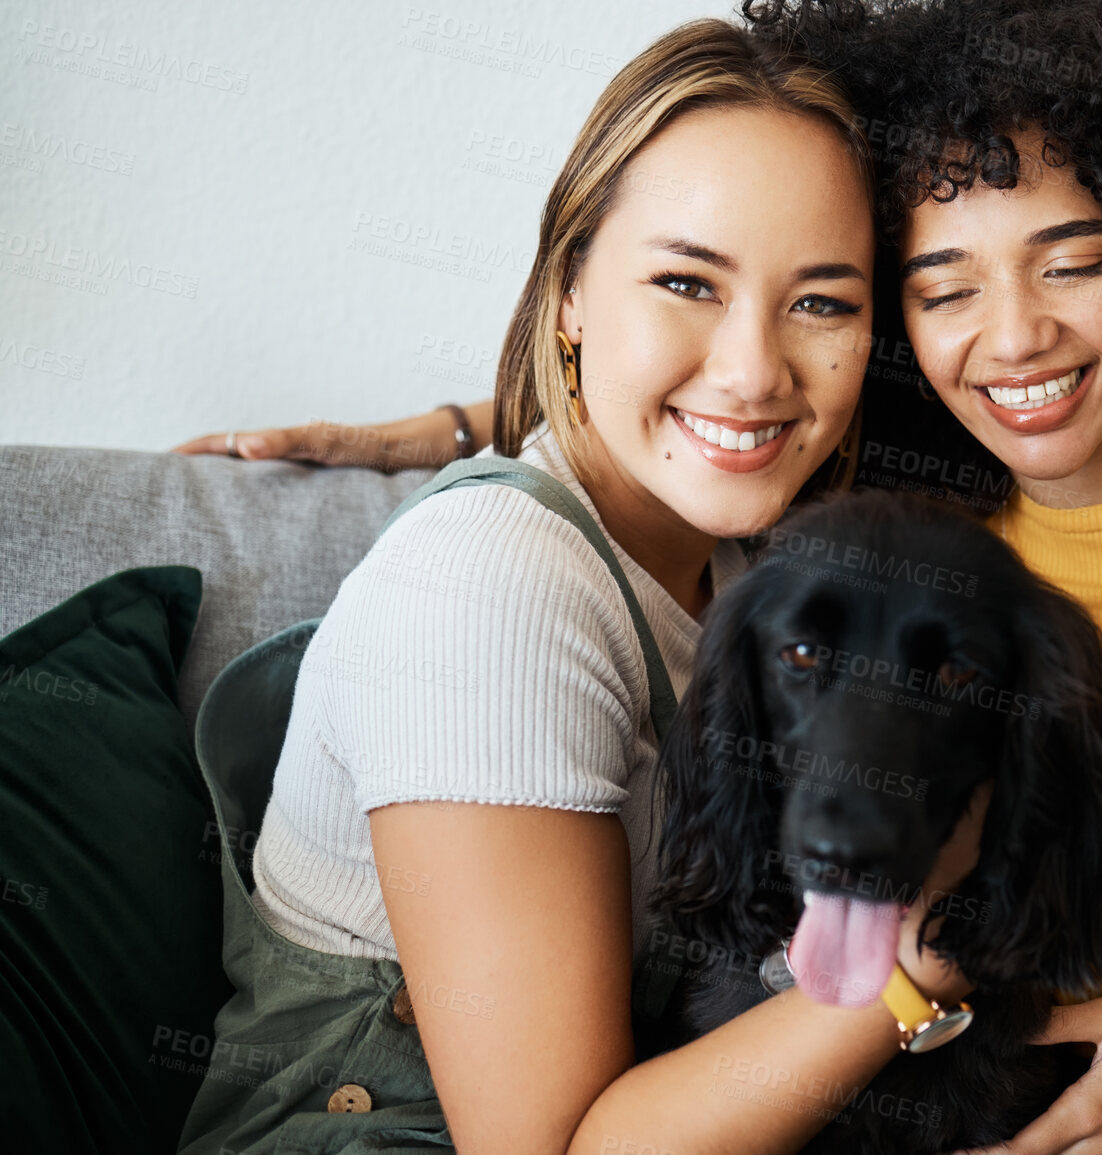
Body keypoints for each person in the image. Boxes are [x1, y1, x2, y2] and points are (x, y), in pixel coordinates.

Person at [183, 2, 1102, 1152]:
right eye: (942, 286)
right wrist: (467, 442)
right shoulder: (880, 546)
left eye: (1070, 261)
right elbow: (683, 413)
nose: (1008, 335)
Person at [176, 17, 985, 1155]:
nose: (755, 371)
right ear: (570, 291)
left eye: (822, 302)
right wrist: (936, 949)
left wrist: (462, 420)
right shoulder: (490, 585)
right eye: (684, 281)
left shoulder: (767, 548)